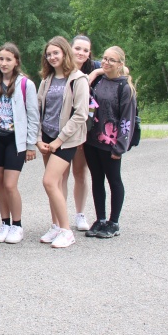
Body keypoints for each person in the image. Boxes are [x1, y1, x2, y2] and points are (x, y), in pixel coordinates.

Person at [36, 36, 89, 249]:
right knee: (55, 184)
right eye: (49, 54)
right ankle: (56, 226)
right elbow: (38, 110)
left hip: (66, 140)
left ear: (65, 53)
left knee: (49, 181)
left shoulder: (78, 79)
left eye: (56, 53)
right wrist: (38, 139)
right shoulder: (46, 80)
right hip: (47, 138)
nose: (52, 57)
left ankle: (67, 231)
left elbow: (81, 114)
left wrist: (59, 140)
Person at [83, 46, 137, 238]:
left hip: (111, 144)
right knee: (97, 179)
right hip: (92, 140)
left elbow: (127, 120)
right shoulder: (99, 80)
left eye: (111, 60)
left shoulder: (125, 87)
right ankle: (100, 219)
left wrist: (120, 147)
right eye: (104, 59)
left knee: (114, 180)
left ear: (120, 64)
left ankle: (114, 222)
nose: (106, 62)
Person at [0, 43, 39, 245]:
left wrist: (31, 145)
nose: (4, 63)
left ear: (16, 61)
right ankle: (5, 223)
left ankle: (17, 225)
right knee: (0, 182)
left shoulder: (26, 84)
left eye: (8, 59)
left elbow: (33, 116)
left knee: (10, 184)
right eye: (1, 59)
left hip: (15, 140)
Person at [67, 34, 103, 231]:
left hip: (84, 130)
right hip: (63, 130)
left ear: (89, 53)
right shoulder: (62, 67)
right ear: (70, 48)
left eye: (85, 50)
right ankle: (59, 218)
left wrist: (95, 73)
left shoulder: (93, 67)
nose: (81, 53)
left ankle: (80, 215)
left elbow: (123, 69)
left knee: (80, 172)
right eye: (77, 48)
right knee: (60, 176)